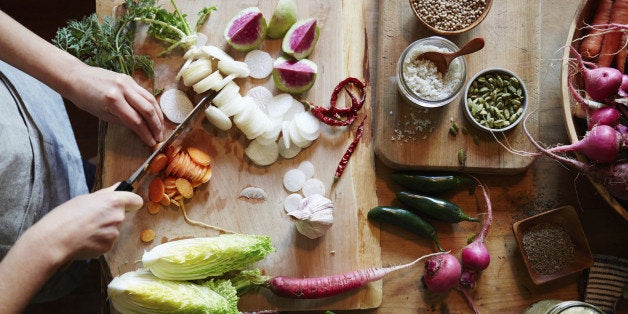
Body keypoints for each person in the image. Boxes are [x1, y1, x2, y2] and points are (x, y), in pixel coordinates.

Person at [0, 9, 165, 313]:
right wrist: (48, 243)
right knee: (90, 271)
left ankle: (87, 175)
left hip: (19, 108)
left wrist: (72, 73)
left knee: (84, 172)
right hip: (22, 246)